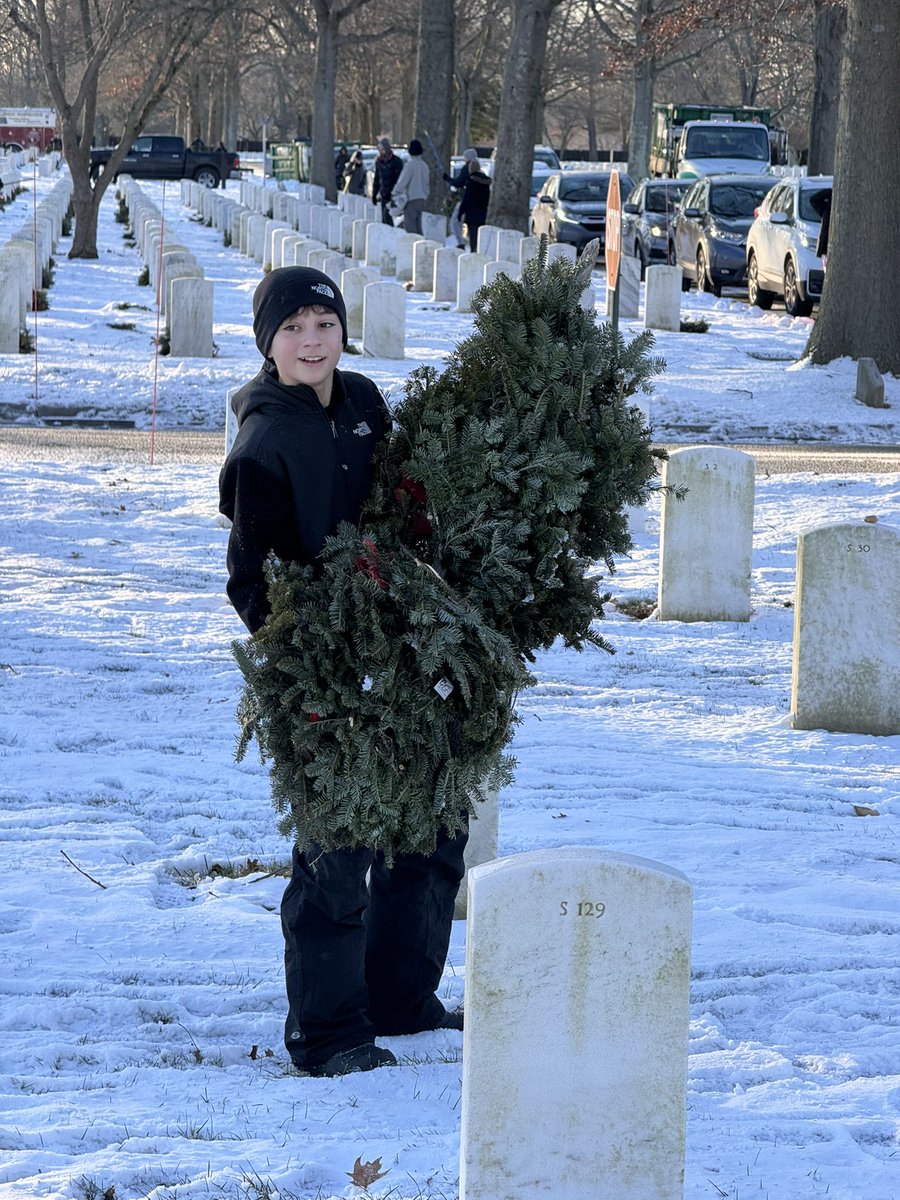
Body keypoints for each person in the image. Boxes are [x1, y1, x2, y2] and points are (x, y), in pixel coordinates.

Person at [218, 267, 467, 1078]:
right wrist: (313, 663)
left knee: (433, 826)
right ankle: (326, 1034)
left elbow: (400, 506)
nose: (312, 340)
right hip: (322, 667)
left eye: (324, 322)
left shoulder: (362, 401)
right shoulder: (262, 442)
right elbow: (250, 582)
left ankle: (399, 998)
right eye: (293, 328)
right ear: (269, 343)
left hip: (400, 647)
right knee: (338, 847)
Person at [392, 138, 430, 234]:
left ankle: (413, 245)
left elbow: (403, 181)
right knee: (418, 225)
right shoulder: (425, 165)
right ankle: (420, 245)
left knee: (410, 226)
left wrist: (395, 192)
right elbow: (426, 183)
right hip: (421, 199)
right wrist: (425, 194)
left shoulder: (409, 165)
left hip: (410, 198)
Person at [444, 147, 479, 249]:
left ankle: (461, 242)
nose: (464, 159)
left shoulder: (466, 168)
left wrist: (448, 179)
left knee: (455, 221)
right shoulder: (478, 168)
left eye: (465, 158)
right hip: (475, 201)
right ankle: (473, 245)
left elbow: (459, 182)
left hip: (465, 200)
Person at [458, 156, 491, 252]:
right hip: (483, 211)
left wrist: (461, 212)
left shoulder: (471, 181)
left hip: (472, 212)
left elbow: (467, 198)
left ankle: (473, 250)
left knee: (473, 235)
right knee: (481, 235)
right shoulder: (486, 182)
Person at [371, 138, 403, 225]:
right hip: (383, 193)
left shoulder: (396, 162)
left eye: (383, 149)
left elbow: (399, 179)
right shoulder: (379, 162)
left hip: (394, 195)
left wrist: (395, 192)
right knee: (384, 218)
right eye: (380, 150)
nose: (381, 152)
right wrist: (374, 193)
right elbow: (377, 178)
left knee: (391, 218)